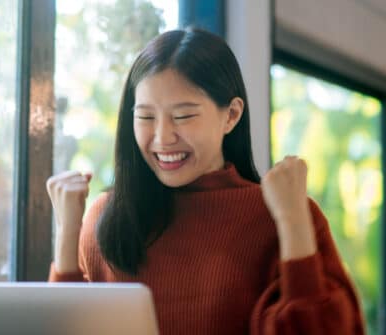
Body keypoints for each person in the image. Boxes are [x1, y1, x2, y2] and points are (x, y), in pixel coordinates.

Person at [46, 28, 364, 335]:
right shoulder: (105, 216)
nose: (162, 138)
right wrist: (67, 234)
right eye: (145, 117)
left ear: (231, 116)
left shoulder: (280, 214)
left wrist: (294, 220)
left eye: (183, 116)